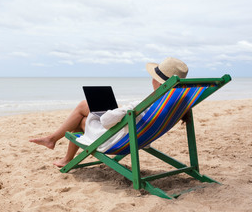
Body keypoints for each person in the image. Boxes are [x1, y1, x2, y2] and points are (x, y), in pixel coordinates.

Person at [29, 57, 189, 167]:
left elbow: (106, 121)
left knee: (82, 110)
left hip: (116, 140)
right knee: (84, 113)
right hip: (134, 136)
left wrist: (116, 111)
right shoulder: (178, 103)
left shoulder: (147, 103)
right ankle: (63, 154)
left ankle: (54, 142)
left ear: (158, 82)